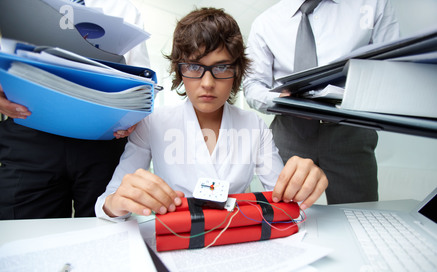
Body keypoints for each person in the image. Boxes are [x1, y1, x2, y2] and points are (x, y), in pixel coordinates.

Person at [95, 7, 328, 220]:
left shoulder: (253, 125)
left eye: (221, 67)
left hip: (238, 236)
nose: (207, 83)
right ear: (180, 70)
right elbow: (106, 204)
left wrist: (301, 184)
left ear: (237, 72)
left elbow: (285, 205)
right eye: (195, 67)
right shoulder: (152, 123)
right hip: (177, 238)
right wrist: (117, 202)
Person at [0, 0, 150, 219]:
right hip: (30, 131)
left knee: (103, 232)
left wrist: (134, 115)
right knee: (25, 235)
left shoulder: (123, 10)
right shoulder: (15, 5)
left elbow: (141, 81)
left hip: (102, 140)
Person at [243, 0, 400, 204]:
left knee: (360, 214)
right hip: (289, 131)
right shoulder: (265, 22)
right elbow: (252, 85)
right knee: (282, 213)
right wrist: (281, 101)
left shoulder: (373, 5)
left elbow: (394, 66)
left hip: (350, 129)